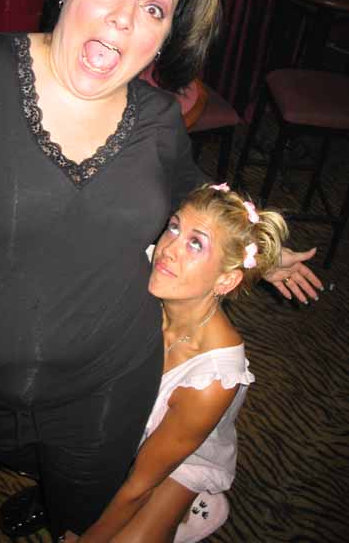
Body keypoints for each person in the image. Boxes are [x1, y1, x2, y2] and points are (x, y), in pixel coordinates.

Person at [0, 0, 322, 539]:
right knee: (27, 462)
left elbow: (192, 191)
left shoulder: (157, 118)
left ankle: (65, 508)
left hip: (109, 383)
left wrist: (258, 248)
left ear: (165, 36)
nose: (124, 18)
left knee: (85, 508)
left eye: (154, 8)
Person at [67, 183, 288, 542]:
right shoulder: (154, 270)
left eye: (196, 244)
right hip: (120, 420)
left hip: (184, 453)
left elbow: (138, 486)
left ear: (226, 279)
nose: (169, 249)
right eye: (174, 227)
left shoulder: (212, 379)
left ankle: (192, 505)